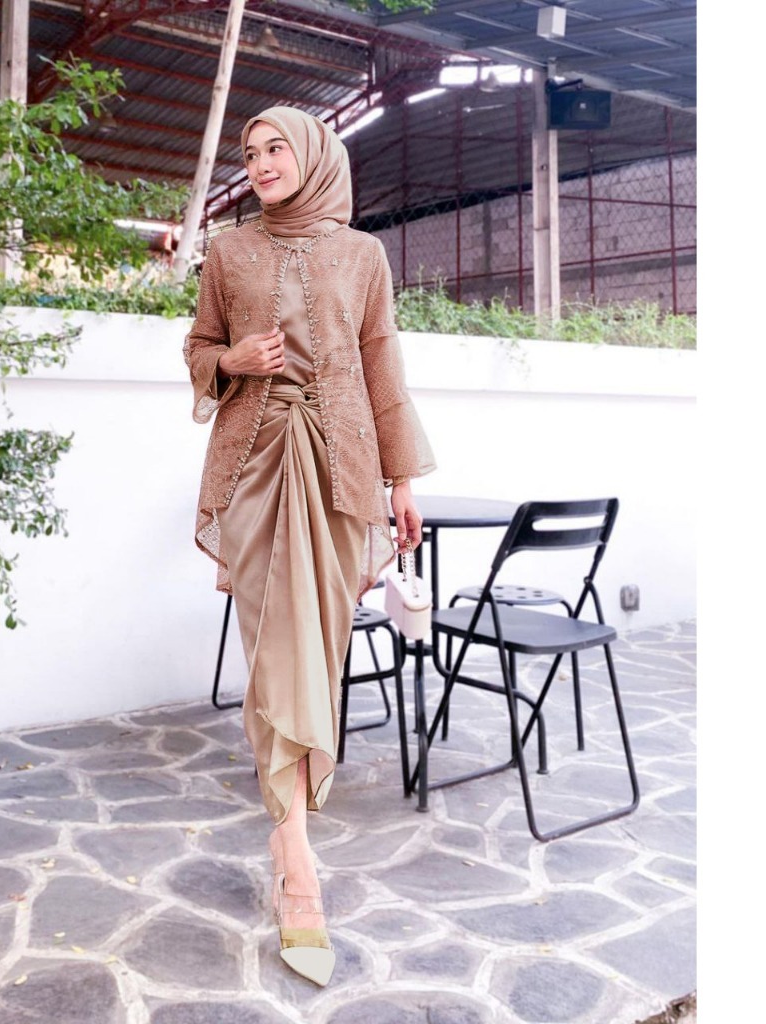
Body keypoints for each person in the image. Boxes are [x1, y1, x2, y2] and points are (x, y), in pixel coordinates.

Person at [184, 106, 435, 986]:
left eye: (275, 148)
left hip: (340, 470)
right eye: (250, 152)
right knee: (273, 650)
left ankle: (288, 832)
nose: (260, 162)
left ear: (316, 155)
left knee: (316, 650)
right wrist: (234, 362)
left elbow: (382, 368)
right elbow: (199, 346)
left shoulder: (363, 256)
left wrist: (402, 480)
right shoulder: (227, 251)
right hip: (254, 468)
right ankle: (296, 861)